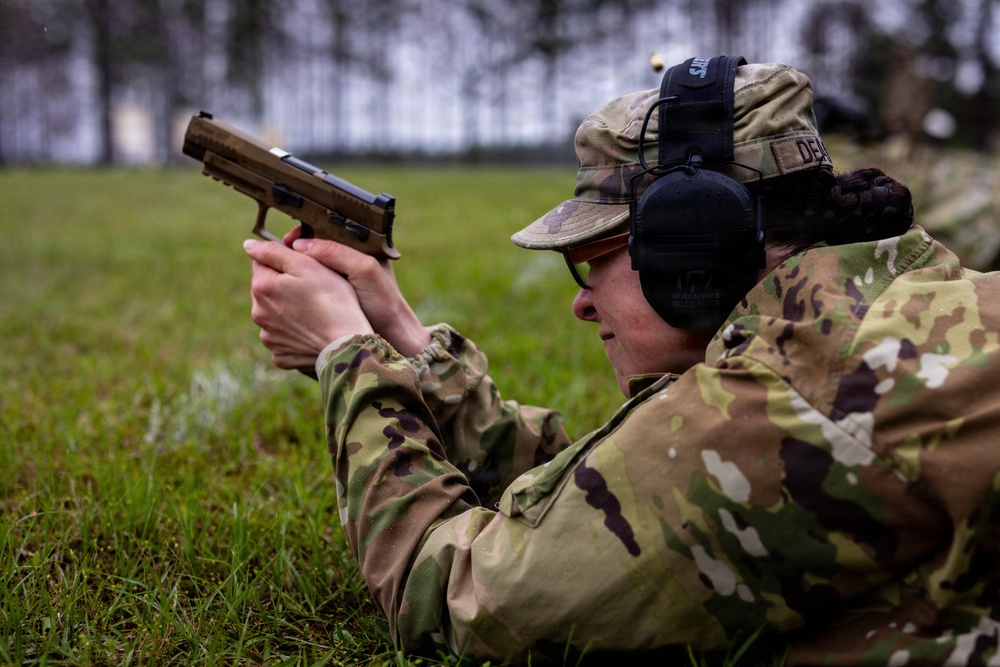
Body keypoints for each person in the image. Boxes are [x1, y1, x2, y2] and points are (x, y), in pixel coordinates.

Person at [242, 60, 1000, 665]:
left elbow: (454, 592)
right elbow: (614, 489)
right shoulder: (889, 304)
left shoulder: (786, 403)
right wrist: (407, 343)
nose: (583, 302)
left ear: (690, 246)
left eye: (592, 260)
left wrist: (349, 357)